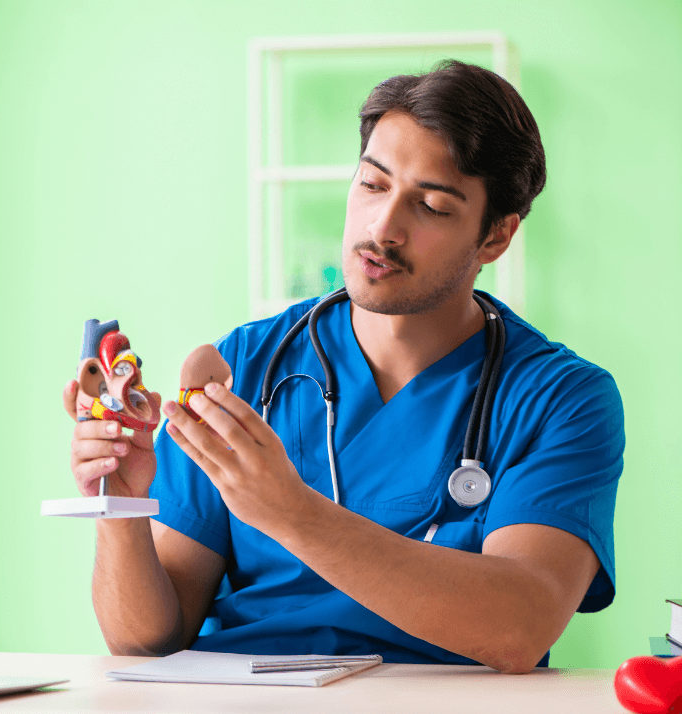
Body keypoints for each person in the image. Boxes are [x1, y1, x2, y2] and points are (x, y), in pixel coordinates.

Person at [62, 60, 624, 674]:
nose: (384, 227)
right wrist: (119, 507)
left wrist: (291, 512)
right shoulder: (249, 364)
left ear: (495, 238)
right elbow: (145, 644)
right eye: (373, 185)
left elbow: (521, 626)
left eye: (432, 205)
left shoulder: (560, 397)